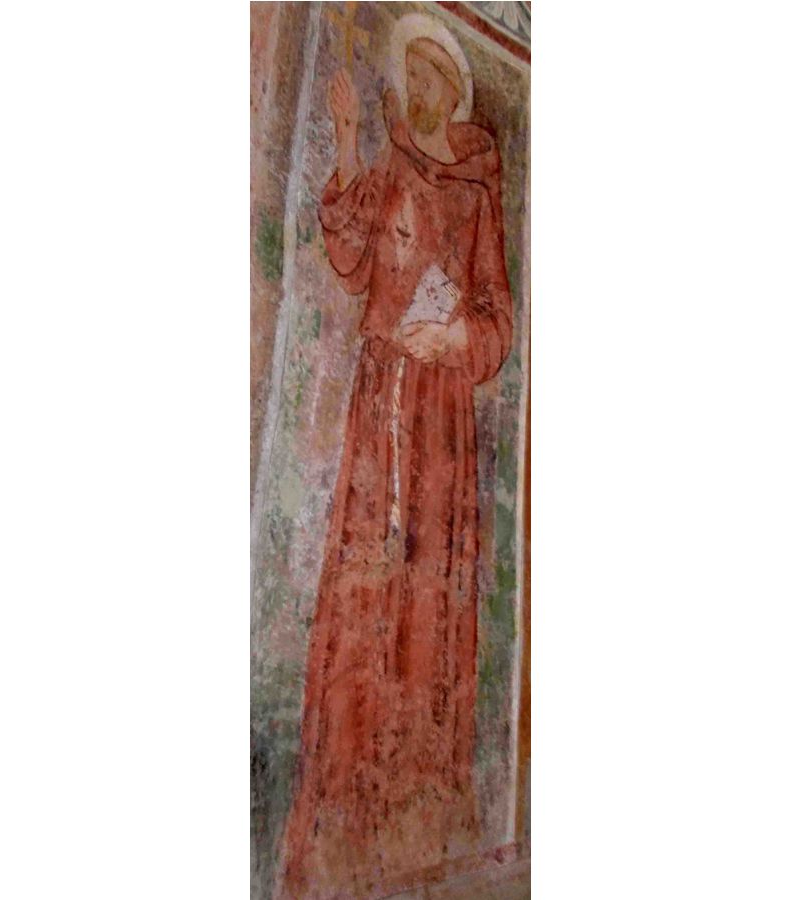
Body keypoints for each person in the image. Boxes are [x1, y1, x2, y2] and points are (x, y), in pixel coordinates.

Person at [278, 18, 513, 898]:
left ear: (452, 94)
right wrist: (345, 139)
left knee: (429, 591)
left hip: (441, 410)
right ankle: (349, 802)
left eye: (430, 81)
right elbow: (346, 254)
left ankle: (423, 796)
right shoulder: (391, 165)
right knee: (364, 582)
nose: (416, 94)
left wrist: (456, 336)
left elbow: (497, 316)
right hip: (381, 400)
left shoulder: (476, 193)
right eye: (408, 79)